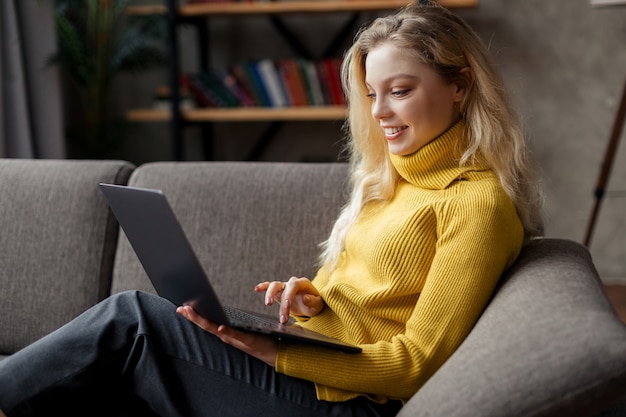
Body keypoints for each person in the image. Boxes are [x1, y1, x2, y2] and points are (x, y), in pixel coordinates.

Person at [0, 2, 543, 416]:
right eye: (371, 95)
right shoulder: (389, 181)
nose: (380, 112)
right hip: (318, 376)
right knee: (117, 373)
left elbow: (416, 364)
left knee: (134, 318)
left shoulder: (476, 204)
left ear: (459, 85)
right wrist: (310, 302)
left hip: (352, 403)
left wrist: (273, 353)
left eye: (399, 91)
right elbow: (370, 307)